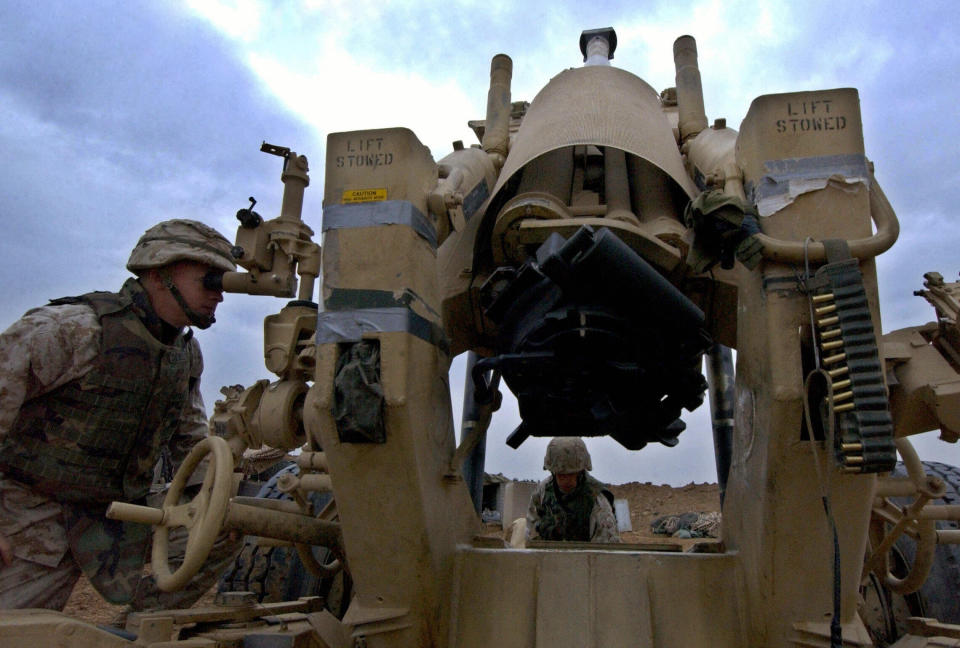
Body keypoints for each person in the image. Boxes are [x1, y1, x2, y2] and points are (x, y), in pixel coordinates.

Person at [0, 219, 239, 612]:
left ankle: (139, 630)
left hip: (118, 514)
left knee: (224, 527)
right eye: (210, 281)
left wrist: (208, 497)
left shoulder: (183, 354)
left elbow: (189, 441)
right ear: (160, 274)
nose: (220, 296)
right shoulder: (72, 331)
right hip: (33, 518)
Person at [526, 437, 621, 543]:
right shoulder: (542, 491)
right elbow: (531, 532)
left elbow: (605, 551)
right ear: (553, 472)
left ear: (581, 472)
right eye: (561, 475)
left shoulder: (597, 500)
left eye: (571, 474)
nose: (565, 481)